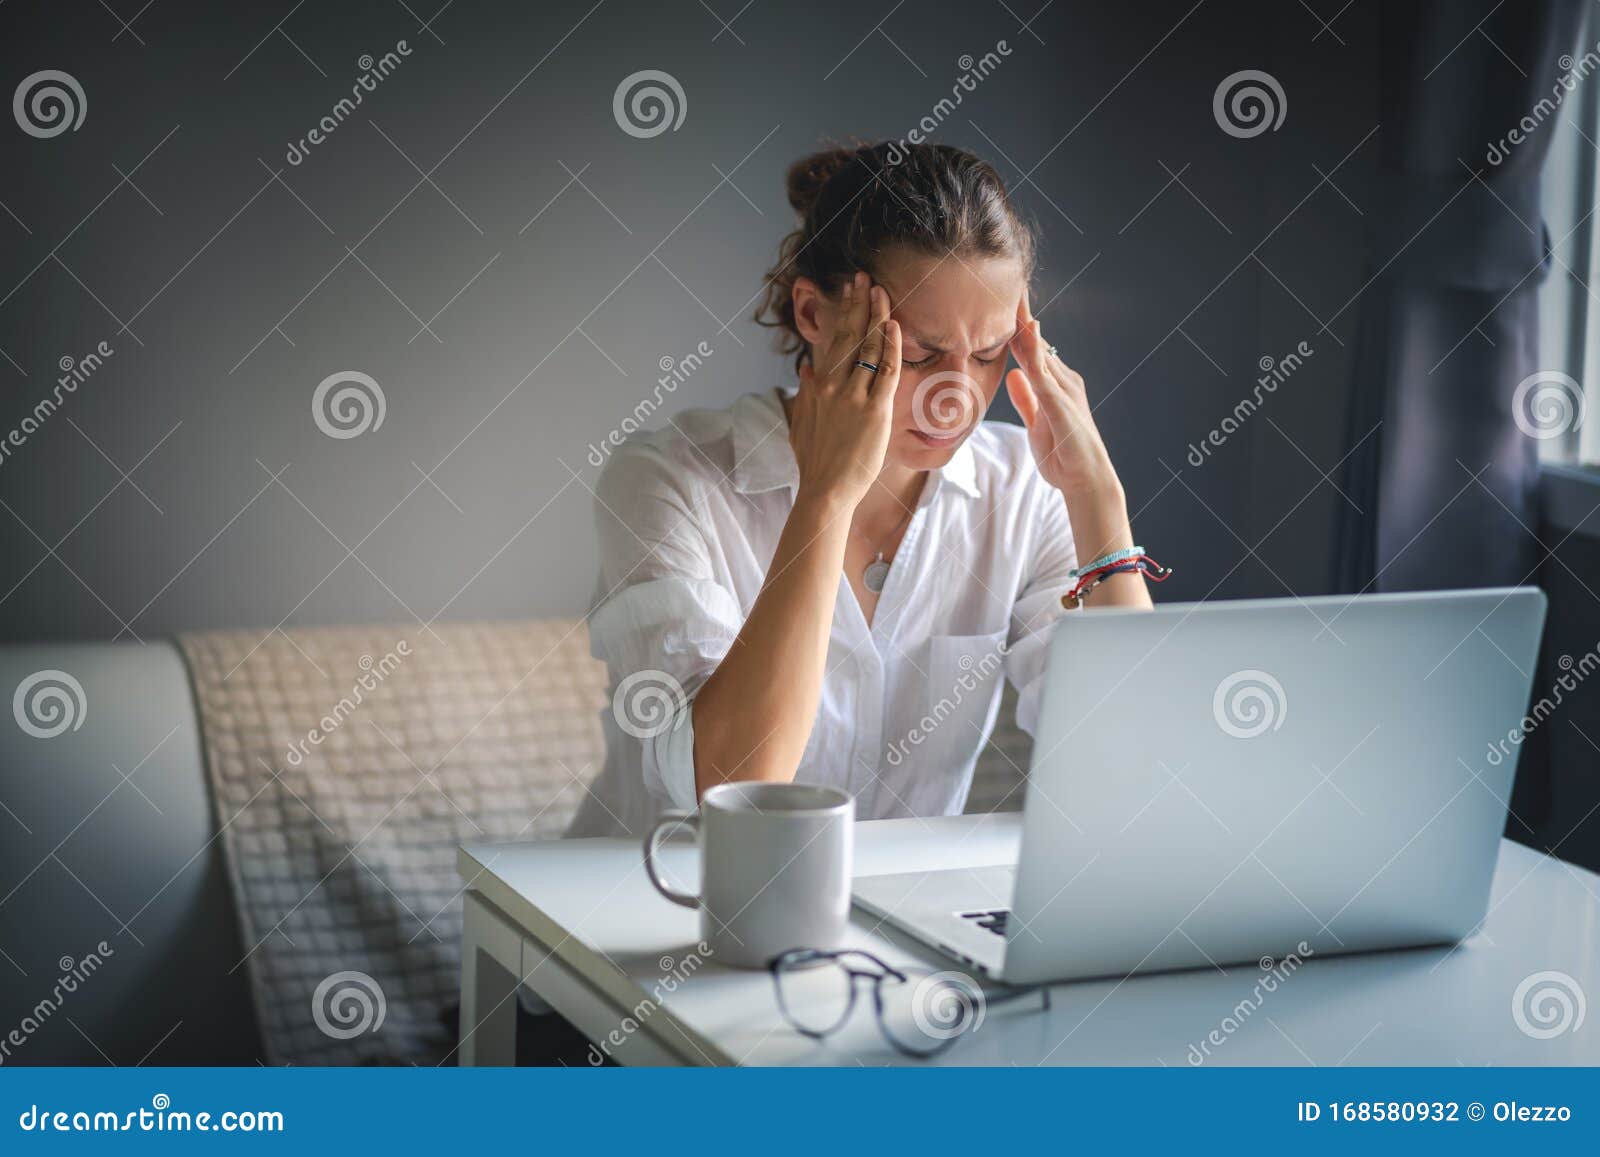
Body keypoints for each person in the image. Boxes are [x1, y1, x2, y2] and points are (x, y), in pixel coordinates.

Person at [566, 141, 1153, 839]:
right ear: (813, 315)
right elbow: (730, 782)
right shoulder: (669, 480)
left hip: (894, 934)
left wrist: (1099, 500)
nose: (957, 399)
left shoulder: (1023, 489)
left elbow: (1134, 765)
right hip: (657, 922)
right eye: (922, 353)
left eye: (992, 353)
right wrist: (826, 497)